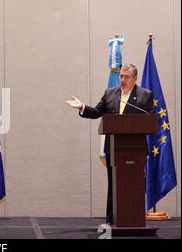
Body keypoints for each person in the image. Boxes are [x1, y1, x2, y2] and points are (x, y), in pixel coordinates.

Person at [66, 63, 154, 224]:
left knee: (134, 185)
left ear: (135, 78)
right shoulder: (110, 94)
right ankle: (112, 220)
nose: (122, 79)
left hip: (135, 150)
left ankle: (134, 220)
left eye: (126, 77)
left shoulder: (145, 95)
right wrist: (82, 107)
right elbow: (97, 113)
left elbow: (147, 120)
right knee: (114, 185)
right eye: (121, 76)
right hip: (114, 149)